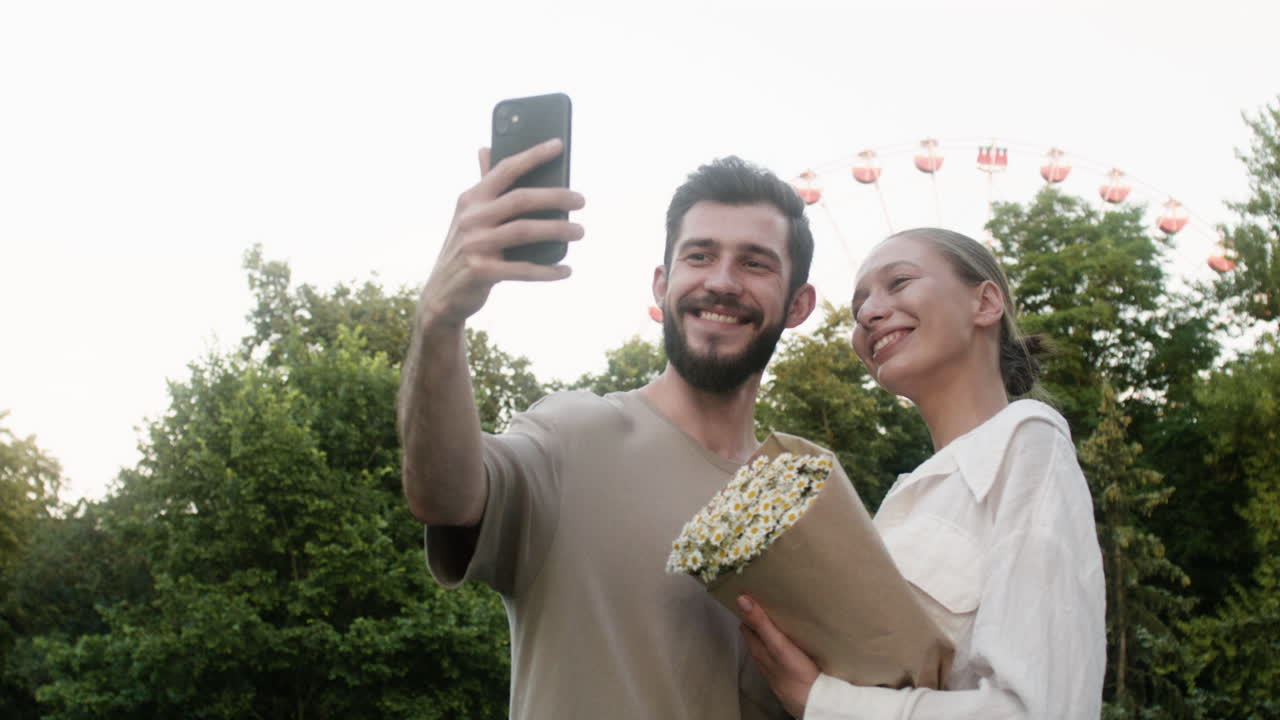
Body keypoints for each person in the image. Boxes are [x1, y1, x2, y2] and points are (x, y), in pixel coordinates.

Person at [397, 140, 817, 720]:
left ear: (798, 305)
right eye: (699, 255)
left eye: (755, 263)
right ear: (661, 284)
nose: (722, 281)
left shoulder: (802, 501)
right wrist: (439, 319)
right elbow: (442, 496)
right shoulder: (573, 437)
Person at [737, 227, 1106, 719]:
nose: (868, 313)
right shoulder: (902, 503)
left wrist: (820, 702)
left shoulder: (1028, 444)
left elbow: (1042, 709)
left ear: (985, 303)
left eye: (899, 282)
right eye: (858, 306)